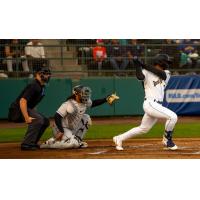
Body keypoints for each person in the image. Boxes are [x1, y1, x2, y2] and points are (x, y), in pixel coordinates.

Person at [113, 54, 178, 151]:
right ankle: (166, 140)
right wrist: (137, 65)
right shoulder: (146, 71)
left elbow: (161, 74)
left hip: (156, 105)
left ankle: (119, 138)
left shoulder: (166, 73)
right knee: (173, 117)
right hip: (150, 103)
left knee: (144, 128)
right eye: (166, 62)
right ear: (160, 62)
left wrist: (142, 64)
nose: (167, 64)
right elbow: (139, 77)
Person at [40, 85, 119, 149]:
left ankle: (78, 140)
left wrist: (106, 99)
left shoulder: (85, 102)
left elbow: (93, 103)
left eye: (85, 94)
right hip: (61, 128)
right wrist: (61, 131)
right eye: (83, 94)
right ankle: (49, 143)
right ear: (76, 94)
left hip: (71, 128)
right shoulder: (69, 104)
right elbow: (57, 116)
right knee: (72, 144)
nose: (85, 96)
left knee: (87, 118)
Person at [8, 65, 51, 150]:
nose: (48, 76)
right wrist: (27, 117)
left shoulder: (41, 86)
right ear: (38, 74)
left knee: (45, 121)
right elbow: (22, 101)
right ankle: (26, 144)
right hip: (17, 110)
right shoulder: (34, 85)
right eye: (45, 74)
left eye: (48, 74)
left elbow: (32, 104)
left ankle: (33, 142)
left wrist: (34, 113)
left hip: (25, 108)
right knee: (39, 119)